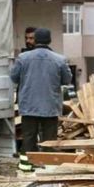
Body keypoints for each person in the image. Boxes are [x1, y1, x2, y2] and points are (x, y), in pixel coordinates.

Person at [10, 28, 72, 171]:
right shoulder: (60, 59)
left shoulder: (23, 58)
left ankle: (26, 166)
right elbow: (67, 80)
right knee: (49, 139)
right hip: (50, 105)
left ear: (35, 40)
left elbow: (14, 77)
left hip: (28, 105)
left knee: (29, 137)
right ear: (49, 40)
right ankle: (47, 166)